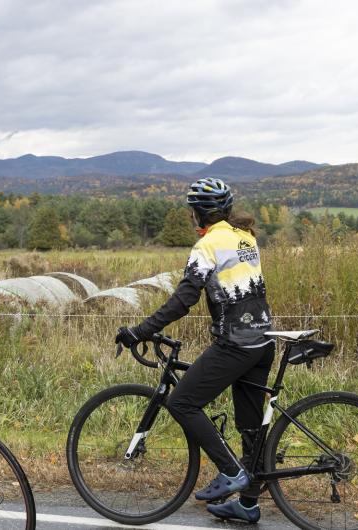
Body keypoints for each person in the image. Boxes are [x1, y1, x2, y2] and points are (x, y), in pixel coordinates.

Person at [115, 177, 273, 523]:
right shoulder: (245, 236)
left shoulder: (209, 245)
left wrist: (140, 330)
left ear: (199, 213)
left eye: (192, 212)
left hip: (236, 343)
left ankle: (231, 472)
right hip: (262, 341)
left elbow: (185, 298)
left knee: (182, 401)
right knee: (250, 430)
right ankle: (248, 505)